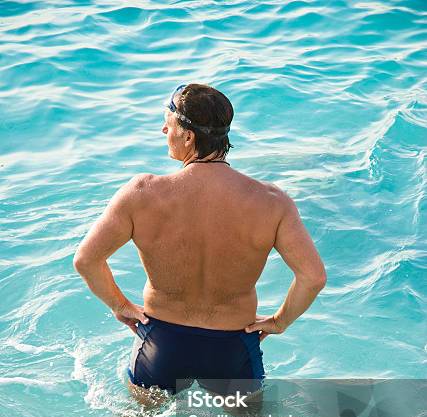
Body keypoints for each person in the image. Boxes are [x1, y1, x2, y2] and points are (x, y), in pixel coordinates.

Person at [73, 83, 326, 400]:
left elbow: (86, 260)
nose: (163, 129)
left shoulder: (141, 193)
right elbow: (313, 277)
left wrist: (120, 306)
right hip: (233, 347)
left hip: (160, 342)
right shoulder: (272, 201)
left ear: (188, 136)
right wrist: (279, 321)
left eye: (169, 123)